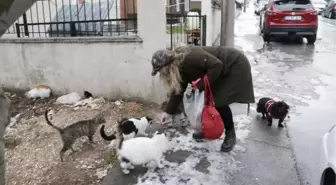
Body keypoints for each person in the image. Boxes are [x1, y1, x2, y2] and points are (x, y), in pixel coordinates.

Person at [151, 46, 255, 152]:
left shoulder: (189, 57)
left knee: (219, 101)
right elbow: (178, 91)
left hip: (235, 65)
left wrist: (199, 86)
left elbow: (217, 65)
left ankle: (230, 134)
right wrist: (168, 113)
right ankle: (210, 130)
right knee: (213, 100)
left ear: (168, 66)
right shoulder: (179, 65)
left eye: (161, 71)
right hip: (223, 69)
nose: (162, 74)